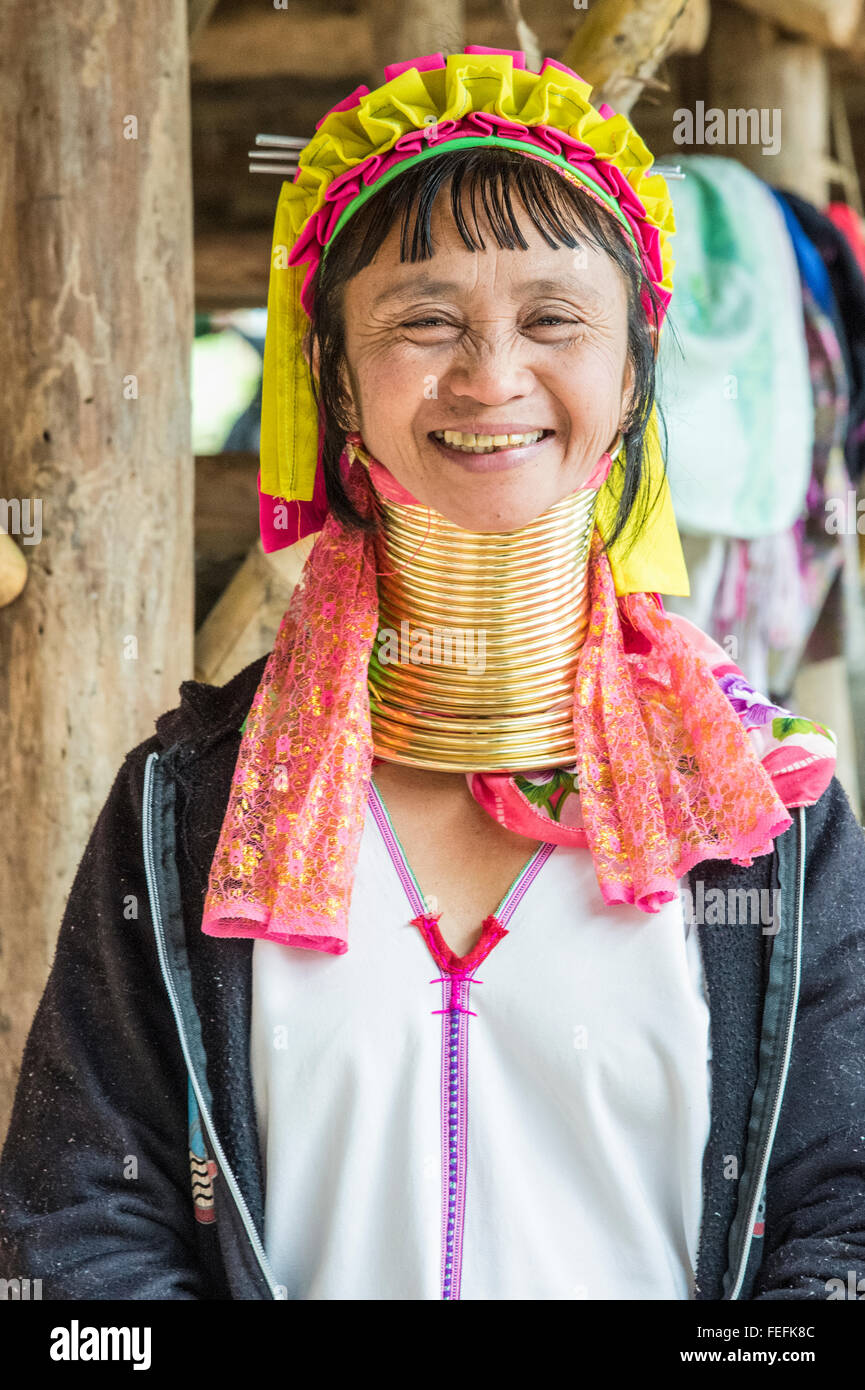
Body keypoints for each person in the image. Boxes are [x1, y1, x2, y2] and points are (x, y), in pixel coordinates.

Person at [1, 48, 864, 1303]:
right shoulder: (185, 814)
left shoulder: (766, 819)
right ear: (339, 382)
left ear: (630, 375)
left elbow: (842, 1217)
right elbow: (78, 1232)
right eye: (425, 318)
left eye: (554, 318)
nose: (491, 375)